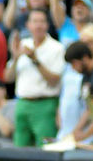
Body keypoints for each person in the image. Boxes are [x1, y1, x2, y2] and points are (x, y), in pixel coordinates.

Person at [4, 9, 64, 146]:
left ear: (47, 25)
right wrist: (15, 57)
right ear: (28, 25)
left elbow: (54, 80)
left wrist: (35, 60)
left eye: (42, 21)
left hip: (45, 103)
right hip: (22, 103)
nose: (38, 25)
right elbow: (8, 78)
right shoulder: (23, 44)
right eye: (35, 21)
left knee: (45, 149)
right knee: (19, 148)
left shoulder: (56, 48)